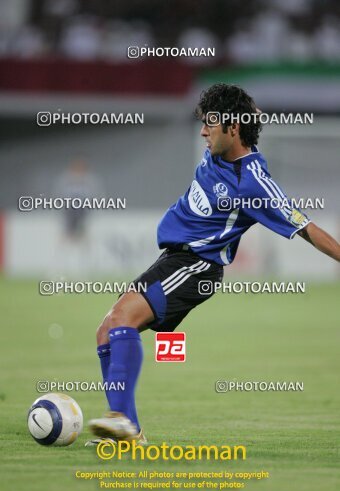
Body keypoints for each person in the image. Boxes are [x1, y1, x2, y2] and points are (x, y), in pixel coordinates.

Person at [86, 84, 340, 446]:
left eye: (211, 124)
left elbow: (306, 228)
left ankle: (122, 420)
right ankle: (129, 433)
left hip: (197, 266)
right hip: (173, 259)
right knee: (105, 331)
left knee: (122, 317)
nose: (203, 131)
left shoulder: (253, 183)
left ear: (233, 129)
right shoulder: (217, 155)